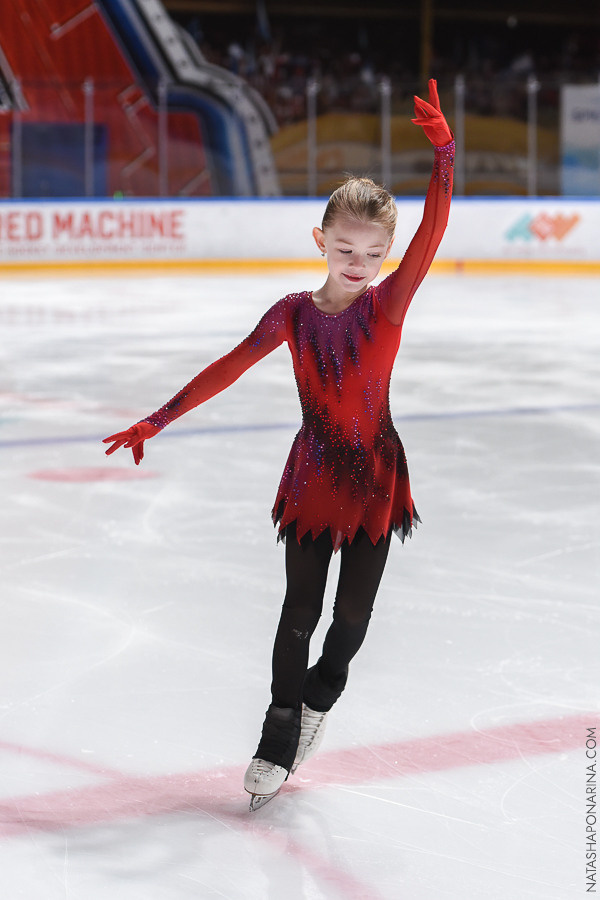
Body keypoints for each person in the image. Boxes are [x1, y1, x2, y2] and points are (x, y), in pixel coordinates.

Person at [104, 79, 454, 810]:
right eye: (345, 246)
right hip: (315, 472)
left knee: (350, 620)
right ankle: (277, 731)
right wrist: (157, 419)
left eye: (373, 250)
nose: (357, 261)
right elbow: (229, 364)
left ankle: (322, 696)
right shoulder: (293, 315)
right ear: (320, 241)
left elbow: (432, 236)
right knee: (299, 610)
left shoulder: (387, 306)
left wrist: (444, 157)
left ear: (387, 256)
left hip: (376, 477)